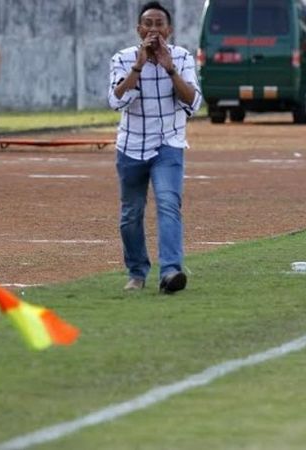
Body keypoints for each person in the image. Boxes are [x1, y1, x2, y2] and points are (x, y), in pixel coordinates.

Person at [108, 1, 201, 294]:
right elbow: (117, 100)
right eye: (148, 24)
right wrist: (139, 65)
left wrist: (170, 68)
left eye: (159, 24)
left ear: (169, 30)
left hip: (168, 144)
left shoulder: (182, 58)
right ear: (139, 29)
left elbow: (193, 102)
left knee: (168, 203)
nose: (153, 30)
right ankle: (137, 273)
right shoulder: (123, 59)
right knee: (130, 214)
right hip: (131, 146)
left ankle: (171, 272)